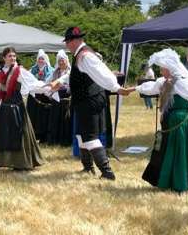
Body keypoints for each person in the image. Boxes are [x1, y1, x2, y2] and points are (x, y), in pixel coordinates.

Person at [51, 27, 132, 180]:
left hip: (90, 100)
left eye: (68, 42)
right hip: (84, 100)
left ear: (75, 41)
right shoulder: (80, 55)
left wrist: (116, 88)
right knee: (81, 135)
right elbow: (74, 74)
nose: (67, 45)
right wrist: (60, 81)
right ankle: (88, 167)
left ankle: (107, 172)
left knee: (90, 136)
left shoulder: (85, 56)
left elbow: (102, 72)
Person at [135, 49, 188, 192]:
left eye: (162, 68)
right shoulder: (163, 81)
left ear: (170, 69)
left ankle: (182, 182)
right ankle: (168, 180)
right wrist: (133, 88)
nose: (160, 70)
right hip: (169, 119)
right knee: (167, 150)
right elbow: (150, 88)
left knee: (180, 150)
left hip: (181, 120)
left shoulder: (180, 82)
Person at [0, 47, 49, 171]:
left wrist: (49, 87)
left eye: (14, 56)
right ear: (4, 58)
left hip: (17, 106)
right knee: (6, 133)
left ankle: (23, 163)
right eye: (9, 56)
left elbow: (33, 83)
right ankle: (8, 161)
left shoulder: (20, 71)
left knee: (20, 132)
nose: (12, 58)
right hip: (5, 107)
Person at [26, 49, 54, 143]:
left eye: (42, 59)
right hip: (34, 97)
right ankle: (33, 135)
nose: (40, 61)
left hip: (44, 97)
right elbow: (28, 81)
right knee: (33, 116)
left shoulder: (51, 70)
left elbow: (50, 82)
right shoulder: (32, 69)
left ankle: (44, 136)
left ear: (45, 60)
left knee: (43, 117)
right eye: (39, 59)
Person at [47, 50, 72, 146]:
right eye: (59, 61)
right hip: (56, 98)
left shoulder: (70, 71)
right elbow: (48, 82)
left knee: (65, 119)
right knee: (55, 118)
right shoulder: (54, 72)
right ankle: (54, 139)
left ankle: (65, 141)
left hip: (66, 97)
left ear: (66, 60)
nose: (61, 62)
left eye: (63, 60)